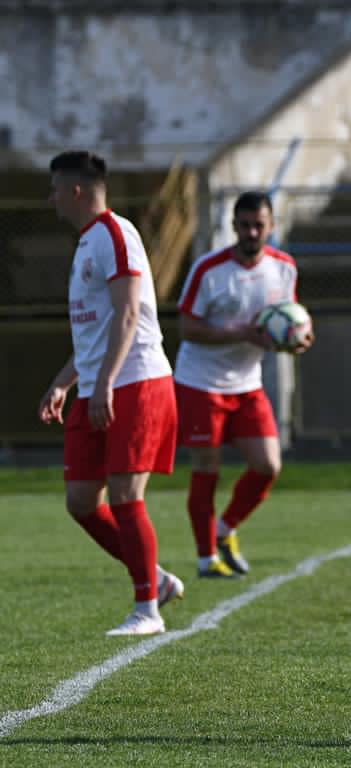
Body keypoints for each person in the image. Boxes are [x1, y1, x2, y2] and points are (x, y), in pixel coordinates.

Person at [39, 150, 183, 637]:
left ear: (76, 190)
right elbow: (96, 330)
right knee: (81, 500)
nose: (52, 197)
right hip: (103, 383)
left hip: (136, 380)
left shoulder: (115, 235)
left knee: (124, 494)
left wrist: (102, 384)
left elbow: (127, 315)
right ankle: (155, 578)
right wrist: (64, 382)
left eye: (56, 187)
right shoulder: (86, 243)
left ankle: (147, 609)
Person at [174, 191, 313, 579]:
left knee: (268, 465)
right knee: (207, 466)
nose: (252, 232)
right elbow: (187, 328)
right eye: (245, 225)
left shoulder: (284, 268)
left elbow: (287, 320)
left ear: (271, 226)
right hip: (200, 382)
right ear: (233, 226)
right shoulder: (209, 269)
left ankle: (224, 529)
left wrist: (297, 340)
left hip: (247, 384)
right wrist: (241, 333)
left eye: (259, 225)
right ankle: (206, 560)